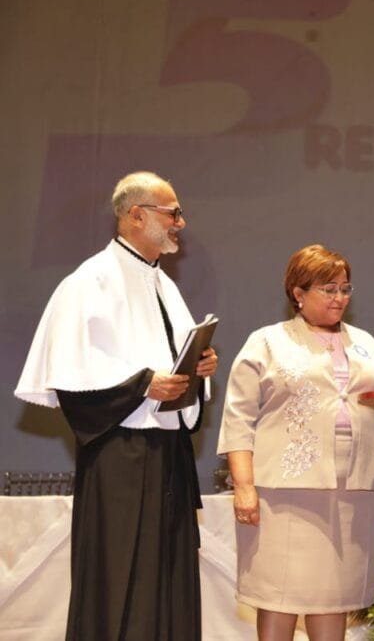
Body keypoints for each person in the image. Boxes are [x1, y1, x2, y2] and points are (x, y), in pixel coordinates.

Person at [14, 171, 219, 640]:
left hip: (167, 456)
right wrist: (145, 385)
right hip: (120, 458)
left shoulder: (163, 284)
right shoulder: (90, 282)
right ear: (136, 216)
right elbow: (74, 381)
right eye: (173, 213)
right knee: (118, 577)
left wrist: (198, 366)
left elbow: (171, 359)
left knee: (168, 578)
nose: (181, 223)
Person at [217, 244, 374, 640]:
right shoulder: (267, 342)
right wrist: (245, 487)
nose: (339, 298)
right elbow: (238, 418)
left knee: (334, 598)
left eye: (345, 289)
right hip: (283, 495)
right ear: (298, 293)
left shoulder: (366, 344)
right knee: (278, 596)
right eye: (328, 289)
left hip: (354, 493)